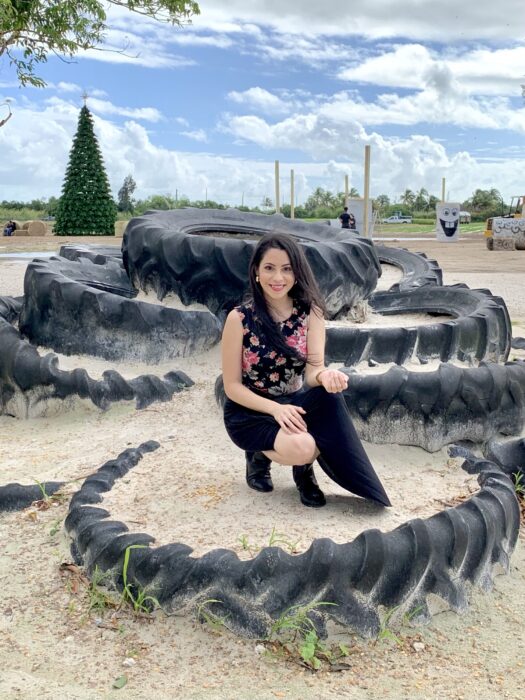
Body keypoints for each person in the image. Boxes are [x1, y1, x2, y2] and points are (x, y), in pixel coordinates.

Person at [221, 232, 391, 508]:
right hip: (251, 410)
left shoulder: (311, 312)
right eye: (269, 268)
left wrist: (326, 376)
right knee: (303, 447)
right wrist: (275, 409)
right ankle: (258, 456)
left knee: (328, 397)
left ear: (297, 273)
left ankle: (304, 472)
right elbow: (232, 387)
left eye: (287, 269)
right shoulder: (239, 318)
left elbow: (313, 371)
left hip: (295, 402)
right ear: (256, 272)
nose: (278, 278)